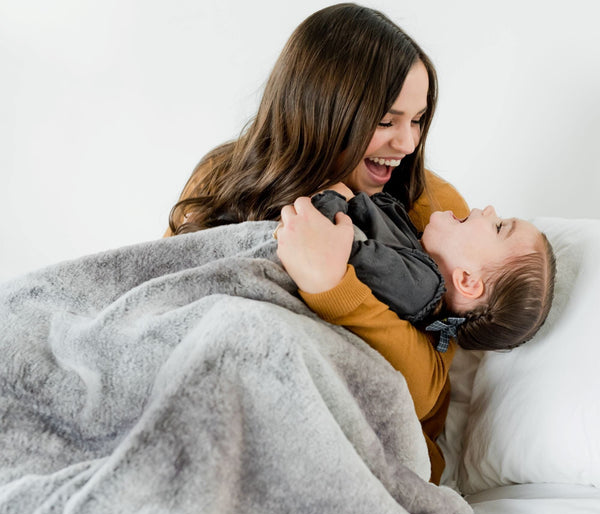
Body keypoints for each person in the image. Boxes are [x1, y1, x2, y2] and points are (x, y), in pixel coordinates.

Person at [164, 3, 481, 483]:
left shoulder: (429, 207)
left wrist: (333, 286)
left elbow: (428, 393)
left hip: (357, 456)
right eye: (387, 120)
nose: (408, 143)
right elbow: (166, 303)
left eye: (418, 120)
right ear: (321, 110)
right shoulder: (225, 174)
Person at [282, 185, 556, 353]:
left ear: (468, 281)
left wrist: (333, 197)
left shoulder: (419, 289)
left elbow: (337, 251)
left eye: (498, 227)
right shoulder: (417, 254)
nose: (490, 209)